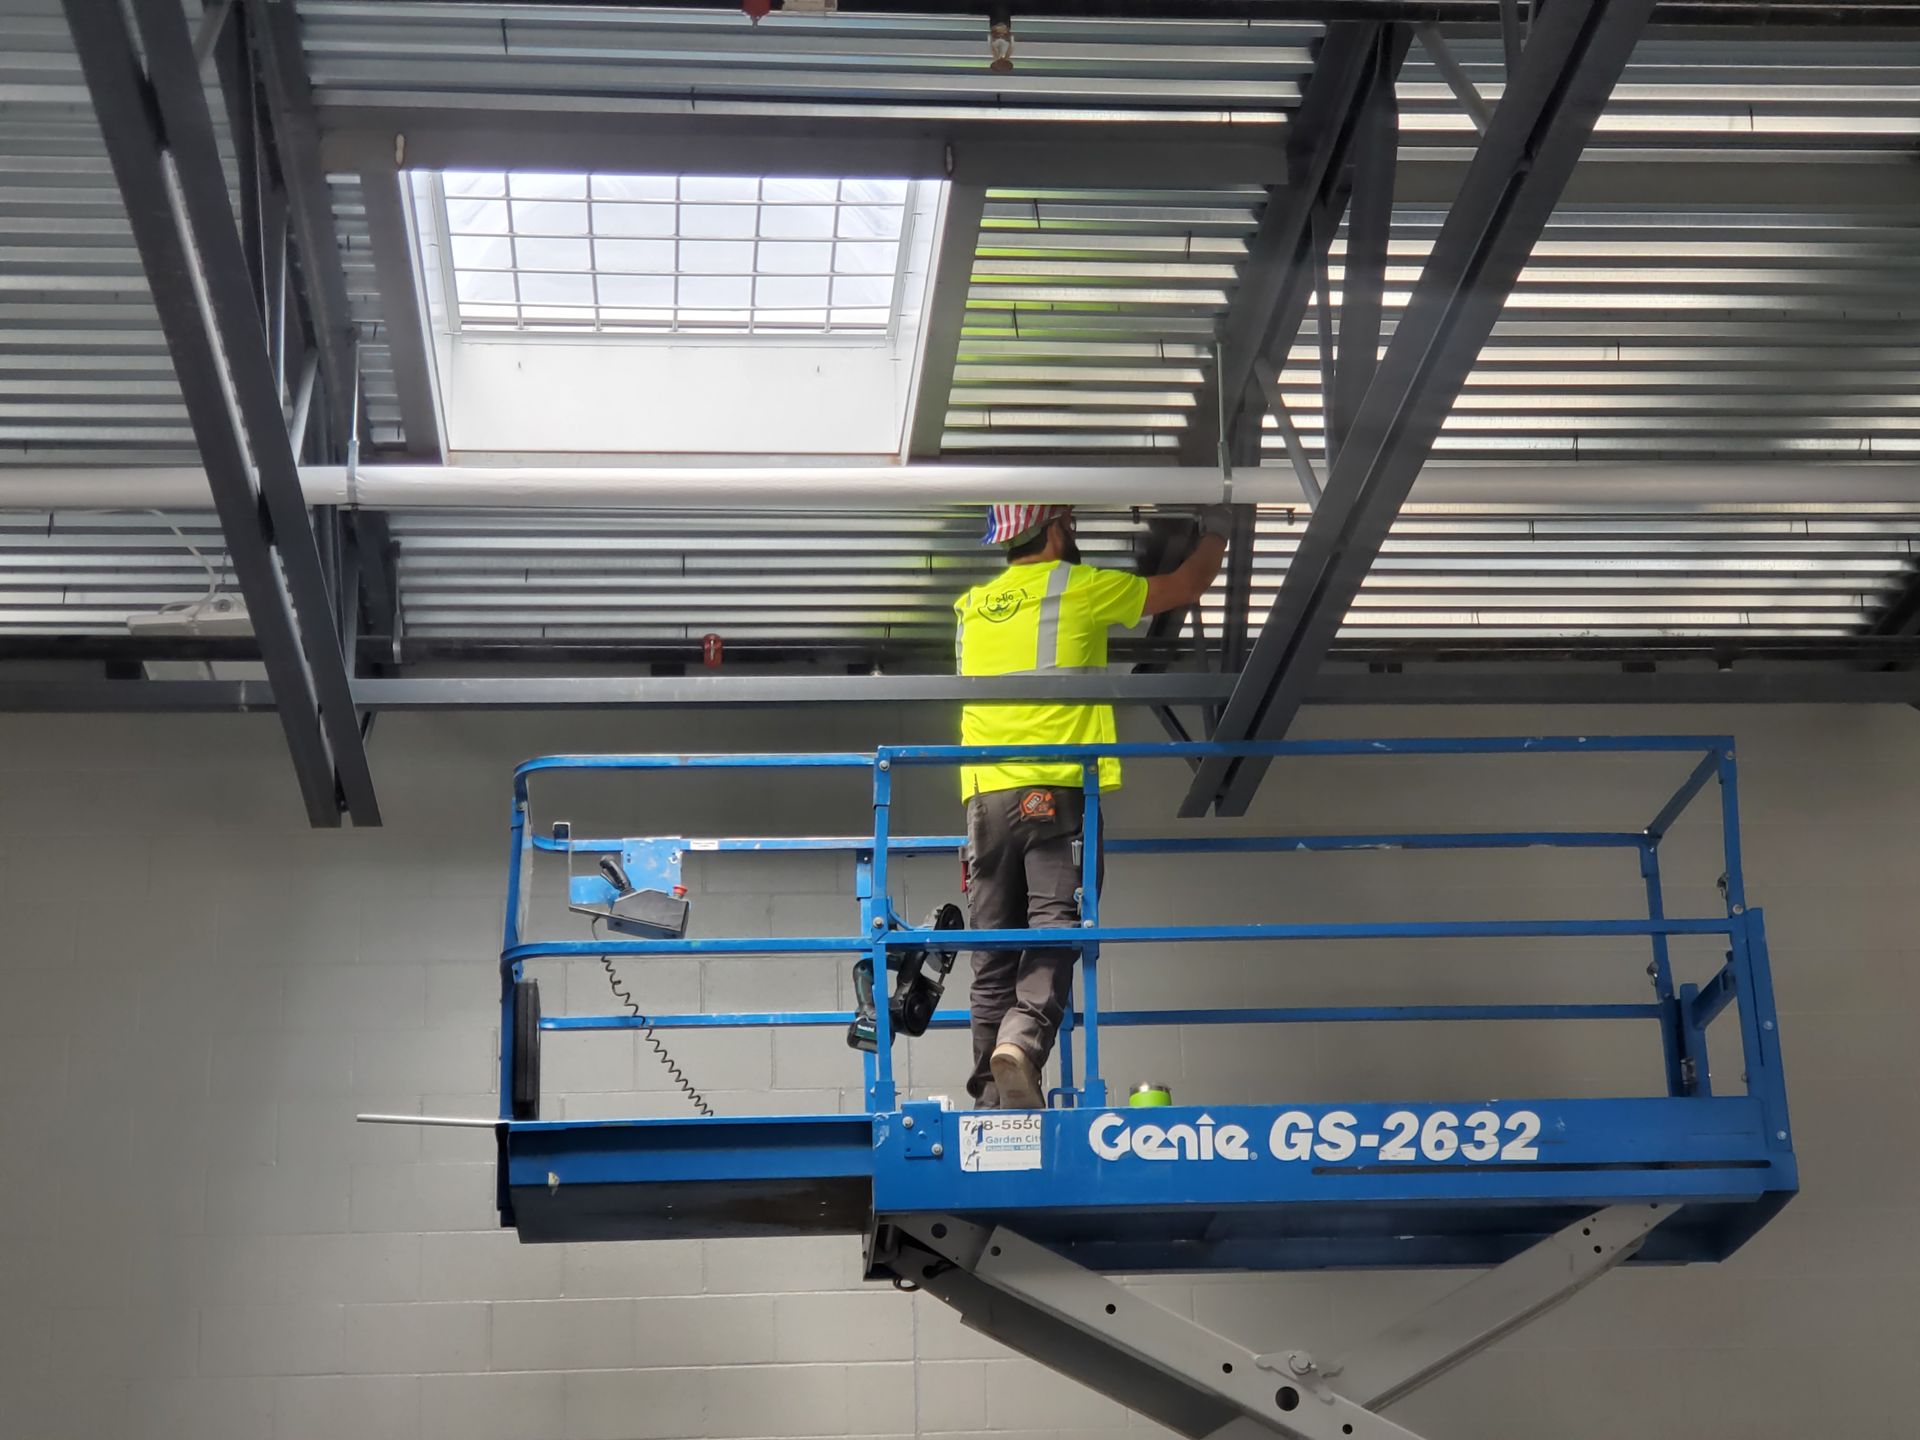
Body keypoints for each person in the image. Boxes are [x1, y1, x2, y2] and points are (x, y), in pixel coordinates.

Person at [954, 502, 1233, 1108]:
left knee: (992, 952)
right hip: (1056, 792)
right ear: (1056, 530)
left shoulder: (971, 607)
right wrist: (1220, 530)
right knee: (1059, 925)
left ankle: (990, 1103)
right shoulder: (1077, 586)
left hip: (984, 801)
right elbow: (1188, 585)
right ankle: (1021, 1045)